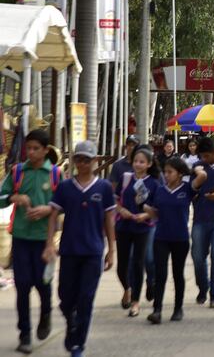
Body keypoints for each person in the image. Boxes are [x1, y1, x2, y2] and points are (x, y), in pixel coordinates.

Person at [44, 140, 115, 357]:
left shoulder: (103, 188)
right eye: (79, 159)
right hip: (69, 250)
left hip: (93, 251)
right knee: (65, 297)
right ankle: (71, 322)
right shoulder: (65, 187)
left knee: (86, 298)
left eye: (87, 160)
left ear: (95, 161)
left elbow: (109, 219)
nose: (83, 164)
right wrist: (49, 243)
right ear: (74, 161)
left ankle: (78, 345)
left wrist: (112, 249)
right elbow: (54, 214)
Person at [0, 130, 61, 354]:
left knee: (43, 284)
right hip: (21, 239)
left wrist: (48, 209)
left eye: (36, 148)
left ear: (46, 150)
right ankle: (24, 333)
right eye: (29, 148)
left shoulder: (55, 174)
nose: (31, 152)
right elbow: (0, 197)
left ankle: (46, 314)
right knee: (23, 286)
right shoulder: (17, 172)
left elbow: (65, 204)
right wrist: (14, 197)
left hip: (44, 240)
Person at [144, 157, 196, 324]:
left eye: (170, 172)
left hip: (180, 237)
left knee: (177, 273)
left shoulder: (187, 188)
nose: (166, 175)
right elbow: (154, 213)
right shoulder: (159, 190)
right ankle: (157, 310)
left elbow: (202, 177)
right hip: (161, 236)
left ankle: (178, 308)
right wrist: (145, 208)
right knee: (160, 274)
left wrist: (192, 170)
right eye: (165, 172)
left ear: (180, 174)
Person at [115, 145, 160, 317]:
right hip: (123, 226)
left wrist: (144, 215)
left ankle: (135, 302)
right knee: (122, 266)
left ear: (149, 164)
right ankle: (127, 288)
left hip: (143, 228)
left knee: (138, 263)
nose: (138, 164)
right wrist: (121, 210)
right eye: (135, 161)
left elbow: (157, 209)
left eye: (142, 162)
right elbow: (116, 200)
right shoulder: (126, 178)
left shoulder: (154, 183)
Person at [190, 136, 214, 308]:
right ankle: (202, 288)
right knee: (198, 257)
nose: (203, 159)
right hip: (200, 217)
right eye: (201, 156)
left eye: (206, 156)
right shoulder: (197, 167)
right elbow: (190, 190)